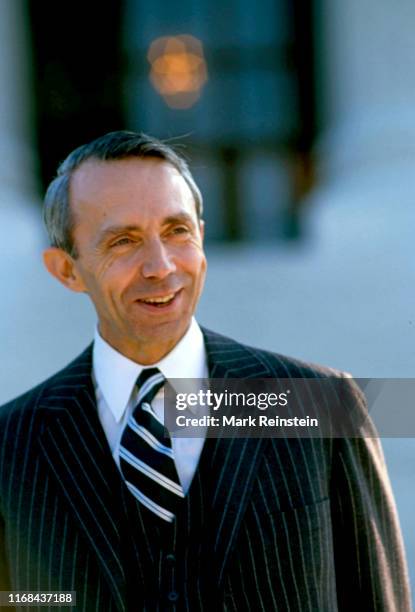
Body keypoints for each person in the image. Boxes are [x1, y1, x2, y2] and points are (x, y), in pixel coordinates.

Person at [0, 131, 410, 611]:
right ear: (66, 270)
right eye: (123, 241)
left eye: (177, 231)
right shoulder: (12, 444)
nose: (161, 265)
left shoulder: (319, 405)